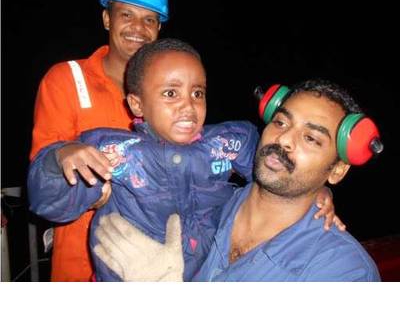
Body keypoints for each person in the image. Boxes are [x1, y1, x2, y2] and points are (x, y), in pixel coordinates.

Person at [28, 40, 339, 281]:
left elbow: (282, 170)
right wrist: (58, 159)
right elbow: (51, 204)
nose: (188, 106)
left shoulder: (228, 142)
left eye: (197, 93)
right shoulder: (115, 150)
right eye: (170, 94)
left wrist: (317, 189)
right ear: (137, 103)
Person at [92, 79, 382, 281]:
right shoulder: (210, 201)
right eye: (280, 122)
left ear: (337, 170)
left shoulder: (344, 271)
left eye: (310, 138)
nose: (283, 139)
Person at [29, 0, 168, 281]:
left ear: (158, 28)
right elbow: (44, 180)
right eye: (126, 14)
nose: (138, 28)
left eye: (149, 20)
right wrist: (84, 186)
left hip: (150, 267)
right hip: (81, 269)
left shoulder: (166, 94)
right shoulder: (66, 79)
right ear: (107, 19)